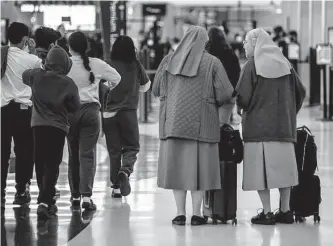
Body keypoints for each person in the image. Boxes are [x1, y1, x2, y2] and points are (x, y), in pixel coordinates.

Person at [152, 25, 234, 226]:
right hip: (203, 126)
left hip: (172, 124)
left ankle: (180, 213)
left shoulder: (168, 60)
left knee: (177, 171)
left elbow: (155, 89)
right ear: (205, 42)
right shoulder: (213, 63)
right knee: (200, 171)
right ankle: (197, 214)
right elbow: (226, 92)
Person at [237, 28, 306, 225]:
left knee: (260, 173)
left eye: (246, 42)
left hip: (258, 130)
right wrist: (288, 113)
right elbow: (300, 93)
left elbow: (243, 96)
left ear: (256, 43)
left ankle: (267, 212)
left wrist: (241, 108)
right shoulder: (286, 64)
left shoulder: (251, 66)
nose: (244, 45)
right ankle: (285, 210)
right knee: (284, 171)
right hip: (283, 129)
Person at [22, 46, 80, 219]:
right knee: (52, 164)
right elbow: (75, 107)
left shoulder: (36, 76)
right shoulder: (68, 83)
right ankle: (45, 201)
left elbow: (24, 75)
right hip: (58, 127)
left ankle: (44, 199)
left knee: (39, 161)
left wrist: (42, 67)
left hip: (37, 126)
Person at [67, 31, 121, 210]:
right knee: (87, 154)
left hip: (69, 111)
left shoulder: (65, 64)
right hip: (90, 111)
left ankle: (74, 196)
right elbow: (117, 78)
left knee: (73, 154)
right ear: (87, 47)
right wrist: (104, 86)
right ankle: (86, 198)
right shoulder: (96, 64)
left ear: (69, 47)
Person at [102, 36, 151, 198]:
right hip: (128, 112)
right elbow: (145, 86)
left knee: (114, 150)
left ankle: (116, 187)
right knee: (131, 147)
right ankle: (125, 170)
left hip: (109, 112)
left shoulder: (107, 64)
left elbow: (99, 86)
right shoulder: (135, 65)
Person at [1, 22, 42, 207]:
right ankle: (21, 190)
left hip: (2, 109)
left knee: (2, 152)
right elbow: (40, 80)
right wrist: (32, 54)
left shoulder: (1, 55)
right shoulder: (32, 60)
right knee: (24, 151)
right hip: (24, 111)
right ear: (25, 39)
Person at [206, 26, 241, 125]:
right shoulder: (230, 53)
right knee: (223, 126)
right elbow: (237, 74)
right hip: (228, 95)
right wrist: (233, 93)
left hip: (210, 95)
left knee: (210, 126)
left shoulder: (206, 54)